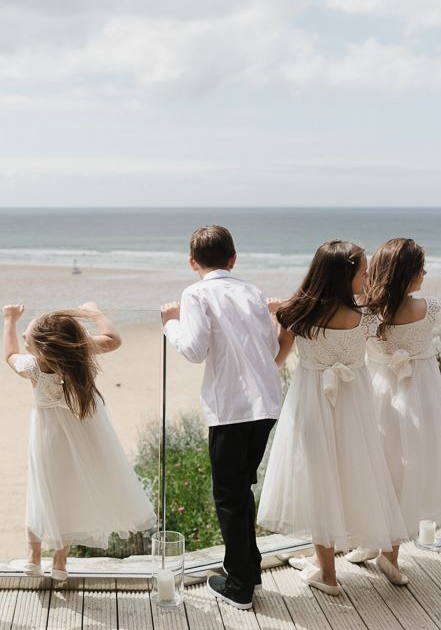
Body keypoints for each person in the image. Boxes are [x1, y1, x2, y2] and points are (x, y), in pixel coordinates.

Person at [257, 240, 407, 595]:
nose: (367, 277)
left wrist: (272, 318)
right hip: (354, 405)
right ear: (345, 276)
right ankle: (333, 561)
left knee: (318, 479)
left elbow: (275, 360)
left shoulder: (296, 312)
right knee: (354, 475)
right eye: (363, 272)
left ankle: (326, 572)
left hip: (311, 403)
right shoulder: (367, 317)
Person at [161, 225, 282, 610]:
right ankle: (251, 567)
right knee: (242, 490)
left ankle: (240, 586)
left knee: (228, 496)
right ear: (233, 258)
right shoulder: (253, 291)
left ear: (192, 261)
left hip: (230, 408)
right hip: (266, 405)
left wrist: (170, 323)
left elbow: (194, 350)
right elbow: (270, 345)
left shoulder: (195, 293)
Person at [2, 302, 156, 581]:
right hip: (83, 435)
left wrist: (9, 320)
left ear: (40, 347)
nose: (26, 337)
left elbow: (10, 354)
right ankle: (60, 562)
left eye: (29, 335)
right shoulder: (80, 354)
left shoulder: (33, 366)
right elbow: (114, 340)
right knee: (68, 493)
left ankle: (33, 557)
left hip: (46, 437)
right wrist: (95, 312)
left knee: (41, 489)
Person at [346, 238, 441, 578]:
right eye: (420, 268)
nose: (425, 272)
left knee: (379, 466)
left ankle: (374, 544)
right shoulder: (430, 308)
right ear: (405, 275)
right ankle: (387, 554)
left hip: (377, 393)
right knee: (403, 470)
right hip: (418, 397)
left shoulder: (366, 315)